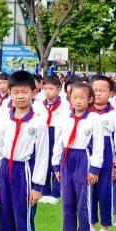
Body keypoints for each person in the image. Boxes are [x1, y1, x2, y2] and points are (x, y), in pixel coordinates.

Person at [0, 70, 48, 231]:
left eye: (25, 92)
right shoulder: (4, 118)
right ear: (9, 93)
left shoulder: (38, 123)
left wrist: (37, 186)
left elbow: (42, 155)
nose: (20, 96)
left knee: (23, 220)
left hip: (24, 171)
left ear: (33, 93)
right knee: (5, 220)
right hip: (5, 169)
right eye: (16, 92)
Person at [51, 81, 103, 231]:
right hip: (66, 158)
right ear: (69, 98)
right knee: (67, 201)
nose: (78, 101)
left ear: (90, 100)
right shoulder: (64, 117)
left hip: (83, 158)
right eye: (74, 97)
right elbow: (58, 141)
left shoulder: (94, 119)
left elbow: (98, 145)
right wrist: (56, 165)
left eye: (82, 98)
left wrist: (94, 168)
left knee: (83, 201)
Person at [90, 76, 116, 231]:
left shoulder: (115, 115)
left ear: (111, 93)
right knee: (88, 190)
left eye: (103, 91)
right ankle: (90, 225)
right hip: (87, 151)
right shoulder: (84, 113)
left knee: (104, 190)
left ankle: (105, 228)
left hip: (107, 152)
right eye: (95, 90)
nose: (98, 94)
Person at [39, 75, 65, 205]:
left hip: (57, 133)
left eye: (51, 88)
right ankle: (45, 191)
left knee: (56, 161)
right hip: (44, 132)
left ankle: (56, 192)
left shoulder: (64, 105)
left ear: (58, 89)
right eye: (45, 88)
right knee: (44, 161)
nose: (48, 91)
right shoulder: (39, 105)